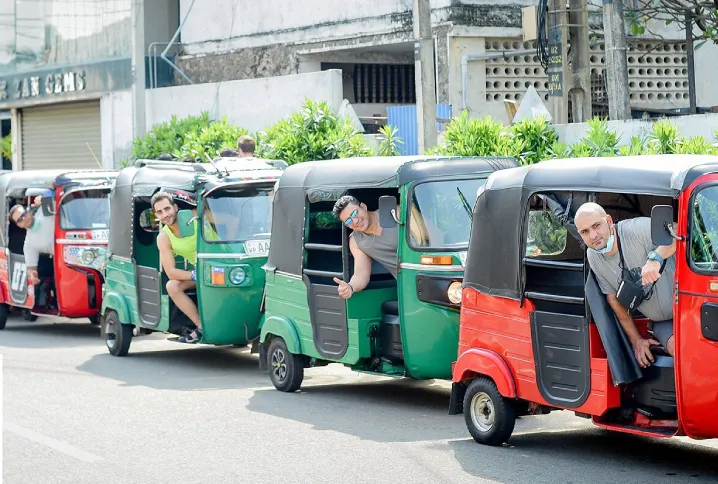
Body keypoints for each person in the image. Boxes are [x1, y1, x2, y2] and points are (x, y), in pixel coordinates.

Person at [574, 202, 676, 367]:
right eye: (585, 232)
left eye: (596, 226)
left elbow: (677, 231)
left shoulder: (636, 229)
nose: (593, 235)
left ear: (608, 220)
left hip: (689, 309)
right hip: (662, 322)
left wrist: (656, 258)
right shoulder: (593, 256)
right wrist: (636, 340)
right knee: (678, 349)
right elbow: (613, 299)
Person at [152, 191, 203, 343]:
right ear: (156, 216)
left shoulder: (195, 216)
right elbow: (171, 272)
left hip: (223, 264)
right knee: (172, 286)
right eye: (160, 212)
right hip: (200, 272)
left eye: (167, 209)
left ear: (175, 207)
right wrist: (196, 275)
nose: (165, 214)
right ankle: (201, 326)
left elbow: (229, 221)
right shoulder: (163, 237)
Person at [331, 195, 398, 299]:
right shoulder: (356, 241)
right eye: (348, 221)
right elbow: (361, 275)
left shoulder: (394, 213)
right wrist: (350, 287)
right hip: (408, 282)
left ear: (363, 206)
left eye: (354, 213)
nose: (355, 221)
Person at [9, 192, 55, 287]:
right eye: (20, 219)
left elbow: (52, 190)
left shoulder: (44, 211)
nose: (24, 218)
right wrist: (32, 274)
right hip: (65, 263)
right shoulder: (29, 244)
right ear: (19, 225)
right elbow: (31, 268)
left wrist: (42, 198)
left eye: (24, 214)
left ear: (28, 211)